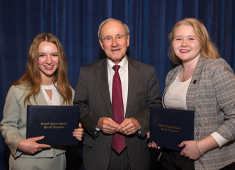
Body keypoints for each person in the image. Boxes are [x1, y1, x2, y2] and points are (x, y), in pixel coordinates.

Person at [73, 18, 162, 170]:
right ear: (101, 44)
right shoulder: (87, 72)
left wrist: (138, 122)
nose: (114, 43)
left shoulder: (147, 72)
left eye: (119, 37)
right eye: (108, 38)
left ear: (127, 40)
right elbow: (79, 107)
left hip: (136, 156)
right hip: (97, 156)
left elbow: (155, 106)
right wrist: (98, 122)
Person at [150, 18, 235, 170]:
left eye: (191, 38)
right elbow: (171, 116)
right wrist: (158, 134)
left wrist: (201, 147)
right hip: (170, 158)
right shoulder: (172, 74)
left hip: (207, 160)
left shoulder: (216, 68)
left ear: (202, 42)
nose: (184, 44)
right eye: (178, 39)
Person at [0, 33, 84, 170]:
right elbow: (7, 126)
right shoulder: (17, 90)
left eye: (54, 55)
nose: (49, 60)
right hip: (27, 161)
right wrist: (19, 143)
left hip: (59, 162)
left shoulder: (69, 91)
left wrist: (77, 131)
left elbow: (67, 126)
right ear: (34, 58)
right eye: (42, 55)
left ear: (60, 58)